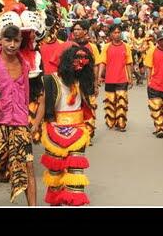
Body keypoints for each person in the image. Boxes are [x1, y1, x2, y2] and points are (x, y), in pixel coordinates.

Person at [0, 25, 36, 206]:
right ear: (0, 40)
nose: (12, 44)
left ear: (21, 41)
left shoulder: (25, 64)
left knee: (28, 167)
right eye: (8, 40)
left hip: (19, 122)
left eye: (16, 40)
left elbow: (26, 94)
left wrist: (30, 119)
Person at [40, 45, 96, 206]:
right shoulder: (50, 80)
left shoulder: (83, 82)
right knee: (55, 171)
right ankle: (55, 202)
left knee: (76, 173)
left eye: (83, 62)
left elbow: (88, 103)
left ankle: (74, 202)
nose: (79, 65)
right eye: (76, 61)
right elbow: (45, 108)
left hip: (78, 130)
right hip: (54, 129)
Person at [98, 25, 133, 132]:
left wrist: (130, 78)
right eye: (115, 32)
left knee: (121, 103)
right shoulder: (106, 47)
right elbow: (103, 62)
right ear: (111, 34)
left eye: (119, 32)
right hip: (109, 79)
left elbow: (128, 63)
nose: (117, 34)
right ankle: (111, 122)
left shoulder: (126, 46)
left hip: (122, 79)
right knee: (110, 102)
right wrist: (99, 76)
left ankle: (121, 124)